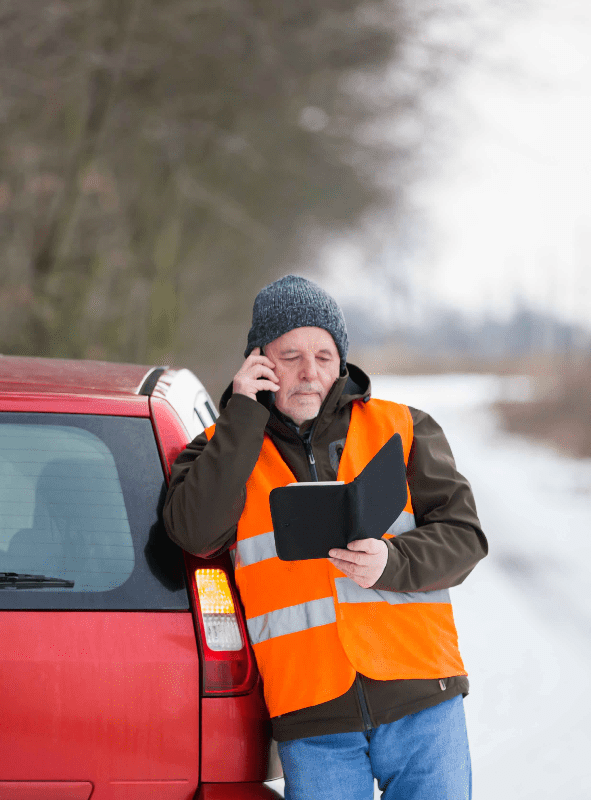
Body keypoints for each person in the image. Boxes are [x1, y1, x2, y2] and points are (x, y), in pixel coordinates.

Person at [163, 275, 486, 800]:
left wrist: (393, 561)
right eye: (289, 355)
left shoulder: (404, 428)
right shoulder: (220, 449)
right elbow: (195, 533)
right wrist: (244, 413)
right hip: (312, 713)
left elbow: (465, 538)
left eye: (323, 355)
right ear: (258, 363)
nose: (309, 372)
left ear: (342, 362)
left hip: (422, 698)